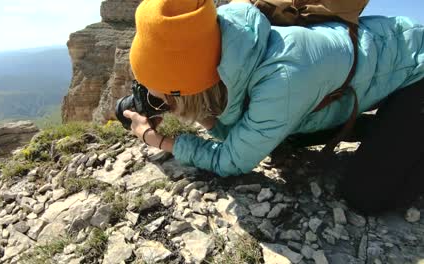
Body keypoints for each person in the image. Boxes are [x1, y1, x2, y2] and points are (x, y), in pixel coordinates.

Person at [123, 0, 424, 214]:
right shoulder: (221, 43)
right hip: (353, 77)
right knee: (283, 140)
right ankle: (385, 131)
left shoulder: (282, 78)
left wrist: (155, 139)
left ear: (189, 90)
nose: (161, 105)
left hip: (416, 68)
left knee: (367, 196)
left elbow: (232, 161)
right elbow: (235, 133)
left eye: (162, 98)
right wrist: (200, 113)